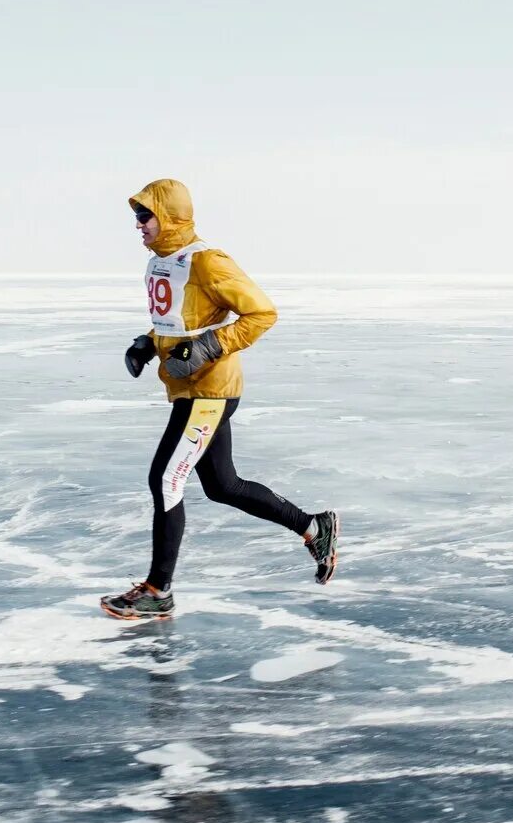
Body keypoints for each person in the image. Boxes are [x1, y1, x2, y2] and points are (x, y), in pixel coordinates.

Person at [100, 179, 339, 620]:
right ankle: (313, 526)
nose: (138, 225)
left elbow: (262, 313)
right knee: (222, 486)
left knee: (166, 479)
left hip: (210, 391)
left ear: (168, 217)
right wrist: (147, 345)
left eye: (144, 216)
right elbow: (176, 324)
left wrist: (210, 346)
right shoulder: (162, 264)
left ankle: (159, 590)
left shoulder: (207, 261)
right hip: (188, 389)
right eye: (135, 216)